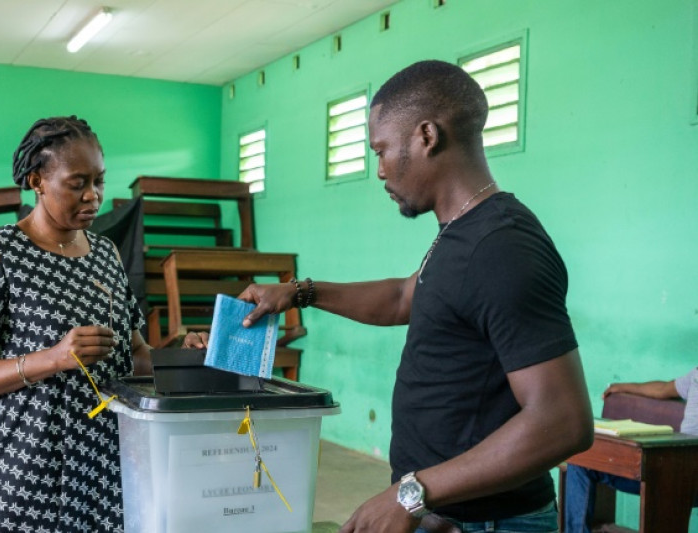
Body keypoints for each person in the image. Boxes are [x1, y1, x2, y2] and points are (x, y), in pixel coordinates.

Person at [188, 60, 594, 533]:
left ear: (426, 136)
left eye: (381, 150)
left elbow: (563, 421)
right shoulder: (462, 232)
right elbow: (405, 297)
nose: (379, 170)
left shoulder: (501, 247)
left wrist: (410, 495)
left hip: (489, 522)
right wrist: (300, 292)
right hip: (444, 512)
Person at [0, 116, 149, 533]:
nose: (92, 196)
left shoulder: (106, 254)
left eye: (99, 180)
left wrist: (186, 352)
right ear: (37, 181)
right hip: (25, 472)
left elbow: (137, 355)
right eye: (77, 183)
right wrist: (55, 358)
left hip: (104, 468)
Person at [563, 368, 698, 533]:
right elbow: (662, 389)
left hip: (687, 476)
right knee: (582, 462)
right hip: (669, 468)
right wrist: (623, 387)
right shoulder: (695, 375)